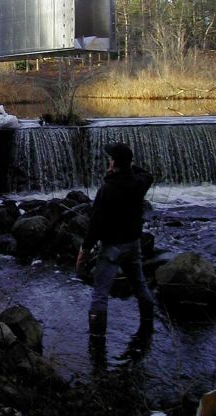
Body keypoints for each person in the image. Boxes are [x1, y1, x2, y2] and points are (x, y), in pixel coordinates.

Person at [76, 142, 154, 339]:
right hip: (133, 244)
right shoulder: (138, 183)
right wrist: (128, 166)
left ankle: (96, 340)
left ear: (113, 163)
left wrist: (84, 252)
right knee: (140, 285)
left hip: (112, 248)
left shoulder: (107, 190)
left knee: (100, 294)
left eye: (110, 159)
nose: (108, 161)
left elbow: (95, 225)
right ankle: (148, 324)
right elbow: (148, 175)